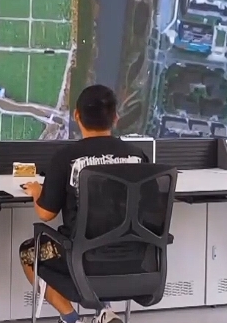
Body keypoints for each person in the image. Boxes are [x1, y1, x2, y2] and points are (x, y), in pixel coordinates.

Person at [17, 84, 149, 323]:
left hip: (81, 258)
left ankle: (71, 319)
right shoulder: (138, 156)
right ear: (115, 118)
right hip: (133, 256)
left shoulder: (65, 158)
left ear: (77, 116)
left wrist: (37, 191)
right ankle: (104, 312)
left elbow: (45, 214)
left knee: (29, 253)